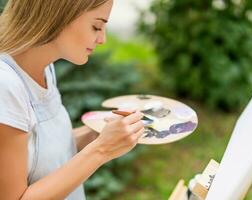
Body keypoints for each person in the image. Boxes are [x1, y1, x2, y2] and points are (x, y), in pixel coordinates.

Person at [0, 0, 145, 199]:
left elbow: (39, 154)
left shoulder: (44, 68)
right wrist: (101, 149)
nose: (102, 39)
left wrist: (94, 135)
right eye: (97, 26)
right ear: (59, 14)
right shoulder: (6, 85)